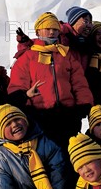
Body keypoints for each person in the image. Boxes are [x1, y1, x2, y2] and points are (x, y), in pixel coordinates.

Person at [7, 12, 93, 154]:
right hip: (39, 117)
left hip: (67, 117)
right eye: (48, 28)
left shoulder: (66, 55)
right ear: (38, 31)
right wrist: (27, 108)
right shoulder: (28, 56)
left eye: (55, 29)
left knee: (69, 155)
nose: (52, 32)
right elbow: (17, 85)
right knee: (45, 156)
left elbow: (79, 83)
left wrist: (82, 105)